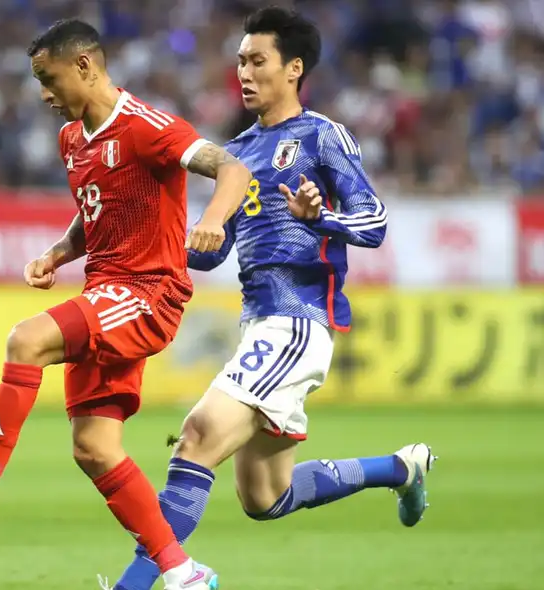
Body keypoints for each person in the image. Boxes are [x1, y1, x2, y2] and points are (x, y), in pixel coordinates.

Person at [101, 8, 435, 590]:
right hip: (260, 325)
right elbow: (213, 251)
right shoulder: (238, 153)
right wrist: (166, 243)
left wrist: (320, 217)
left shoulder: (321, 135)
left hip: (300, 322)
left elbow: (375, 221)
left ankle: (139, 584)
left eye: (258, 61)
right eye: (239, 62)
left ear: (294, 69)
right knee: (265, 498)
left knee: (199, 436)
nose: (244, 73)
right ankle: (400, 468)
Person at [0, 19, 251, 590]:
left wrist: (214, 220)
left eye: (48, 80)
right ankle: (182, 572)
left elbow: (233, 167)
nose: (43, 94)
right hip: (106, 291)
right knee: (95, 449)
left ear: (84, 67)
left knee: (25, 340)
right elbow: (99, 208)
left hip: (149, 293)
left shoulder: (148, 126)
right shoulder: (73, 139)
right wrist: (58, 251)